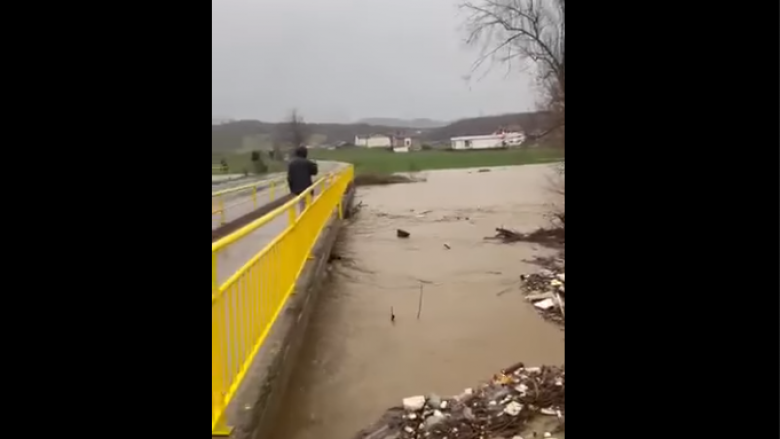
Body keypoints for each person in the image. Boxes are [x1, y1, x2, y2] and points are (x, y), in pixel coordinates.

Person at [287, 146, 318, 211]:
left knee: (302, 206)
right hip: (308, 188)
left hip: (297, 189)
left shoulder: (291, 163)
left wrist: (291, 189)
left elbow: (289, 178)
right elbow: (315, 172)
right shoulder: (308, 163)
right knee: (310, 206)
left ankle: (303, 218)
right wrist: (314, 165)